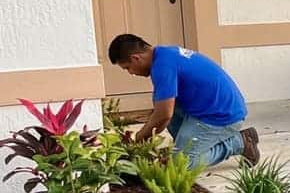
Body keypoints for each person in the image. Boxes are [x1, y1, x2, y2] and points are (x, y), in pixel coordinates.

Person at [107, 34, 260, 168]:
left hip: (223, 116)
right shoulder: (164, 54)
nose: (131, 73)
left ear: (136, 58)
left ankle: (239, 142)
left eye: (128, 68)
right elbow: (162, 111)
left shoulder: (163, 67)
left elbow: (164, 115)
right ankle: (187, 148)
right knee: (161, 101)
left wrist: (138, 140)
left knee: (182, 165)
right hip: (210, 108)